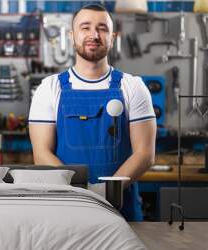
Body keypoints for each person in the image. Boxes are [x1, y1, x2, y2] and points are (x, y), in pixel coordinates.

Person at [28, 4, 156, 221]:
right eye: (85, 27)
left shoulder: (133, 87)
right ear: (72, 35)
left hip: (120, 209)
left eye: (102, 28)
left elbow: (145, 154)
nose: (94, 35)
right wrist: (81, 192)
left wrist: (106, 193)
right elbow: (41, 154)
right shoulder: (49, 89)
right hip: (66, 207)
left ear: (113, 37)